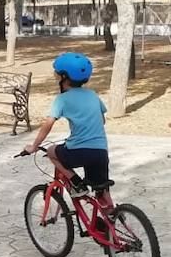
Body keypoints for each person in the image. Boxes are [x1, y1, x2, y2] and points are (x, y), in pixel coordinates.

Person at [23, 52, 111, 205]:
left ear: (64, 77)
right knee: (101, 192)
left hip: (79, 151)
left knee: (51, 151)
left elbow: (47, 125)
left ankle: (76, 184)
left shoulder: (62, 100)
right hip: (100, 151)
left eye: (57, 73)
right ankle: (112, 219)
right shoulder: (92, 95)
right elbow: (101, 120)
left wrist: (34, 146)